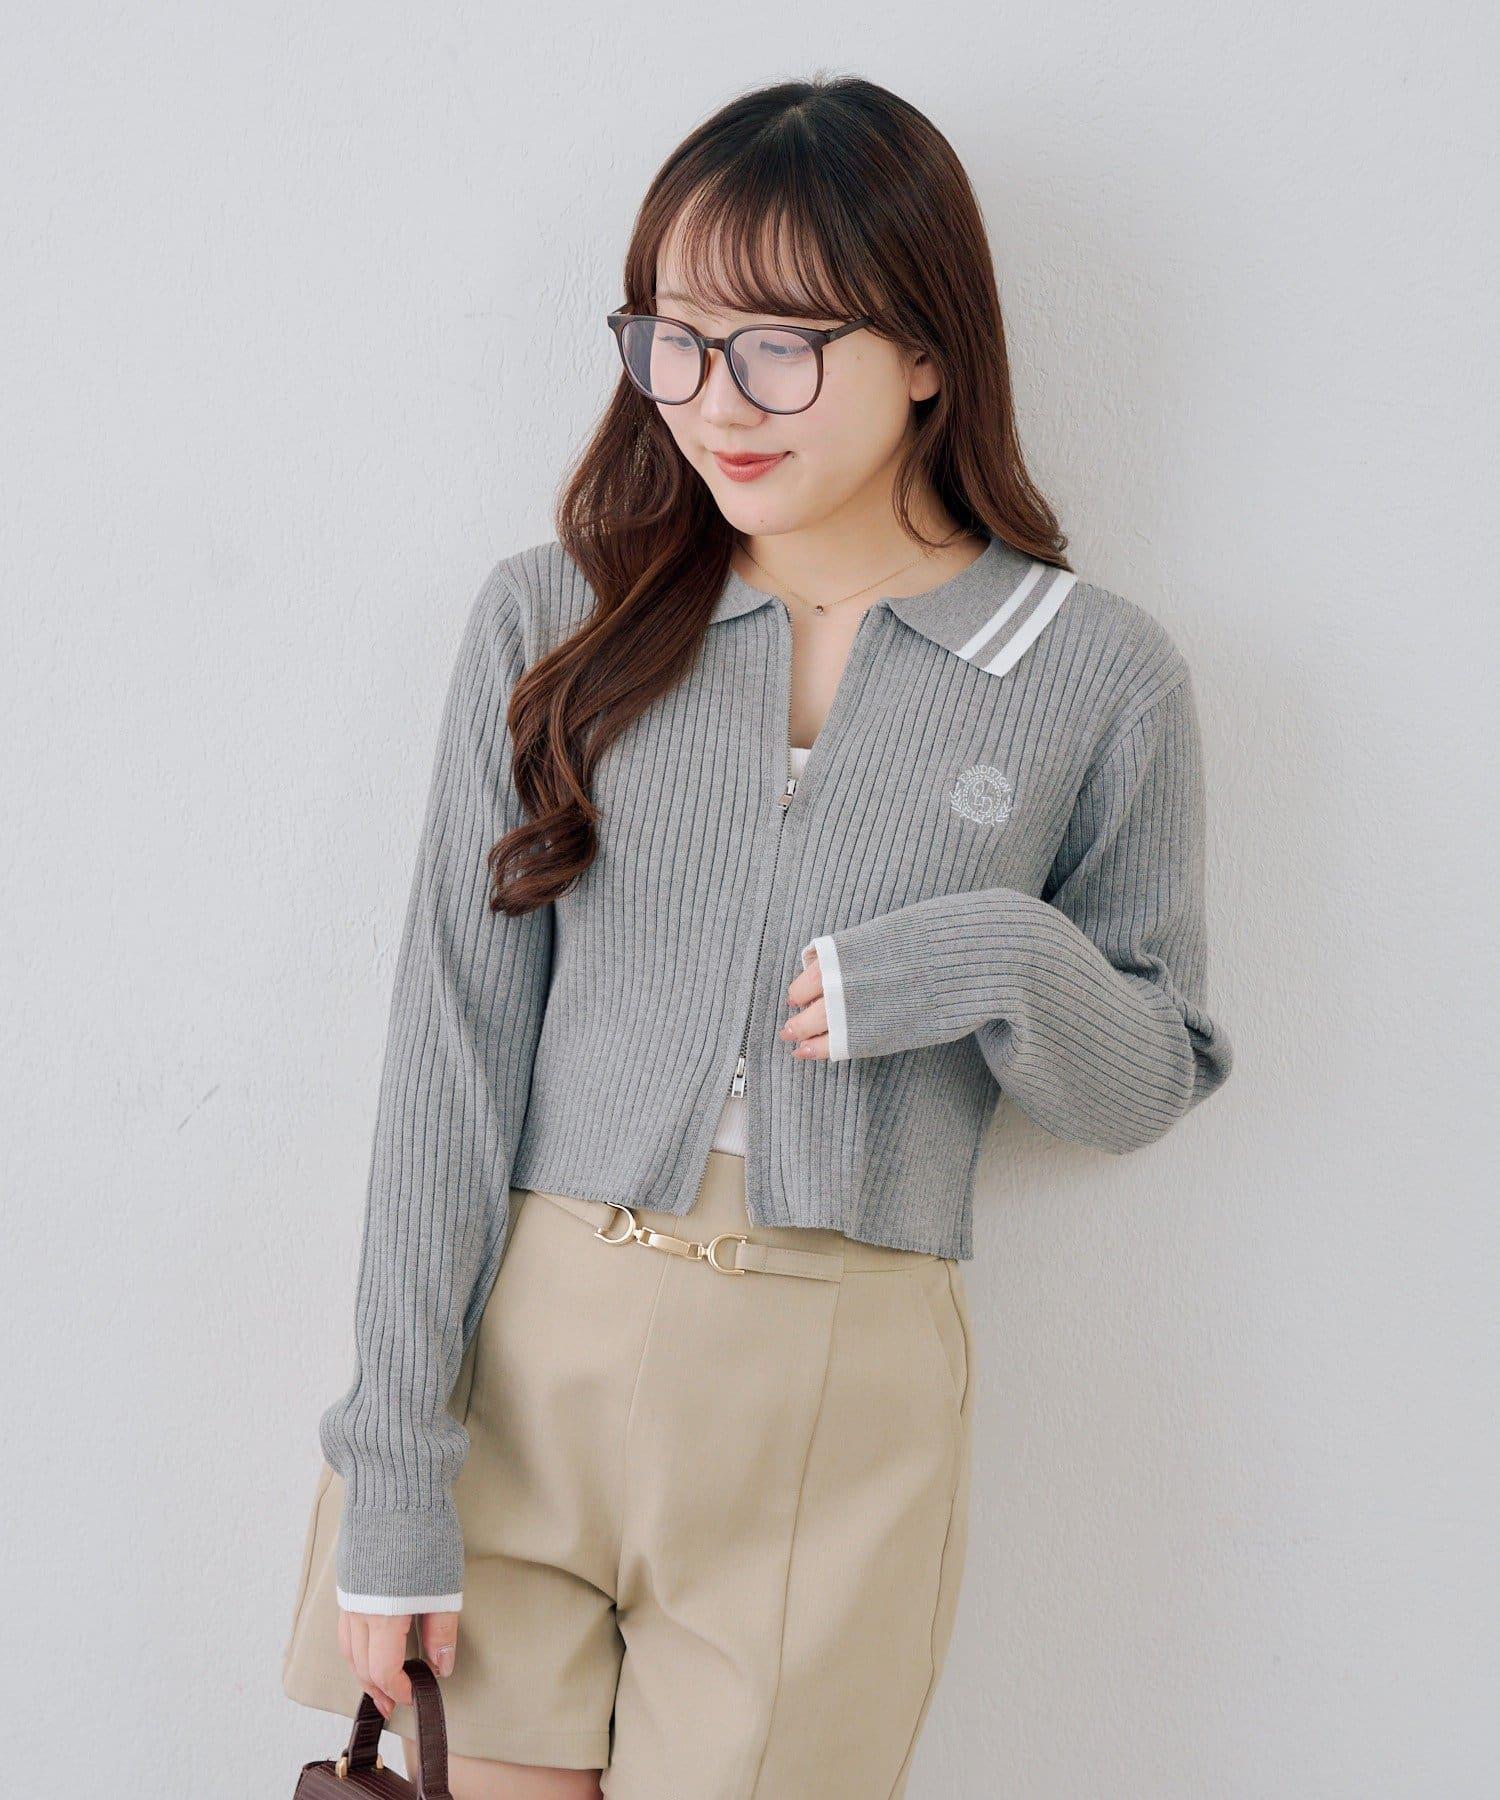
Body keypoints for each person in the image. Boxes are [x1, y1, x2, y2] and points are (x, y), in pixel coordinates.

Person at [280, 73, 1234, 1800]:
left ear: (927, 350)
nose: (715, 400)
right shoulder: (557, 614)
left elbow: (1147, 1077)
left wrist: (994, 956)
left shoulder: (1093, 671)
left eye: (781, 346)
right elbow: (448, 1053)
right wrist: (396, 1471)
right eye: (677, 338)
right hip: (521, 1377)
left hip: (833, 1407)